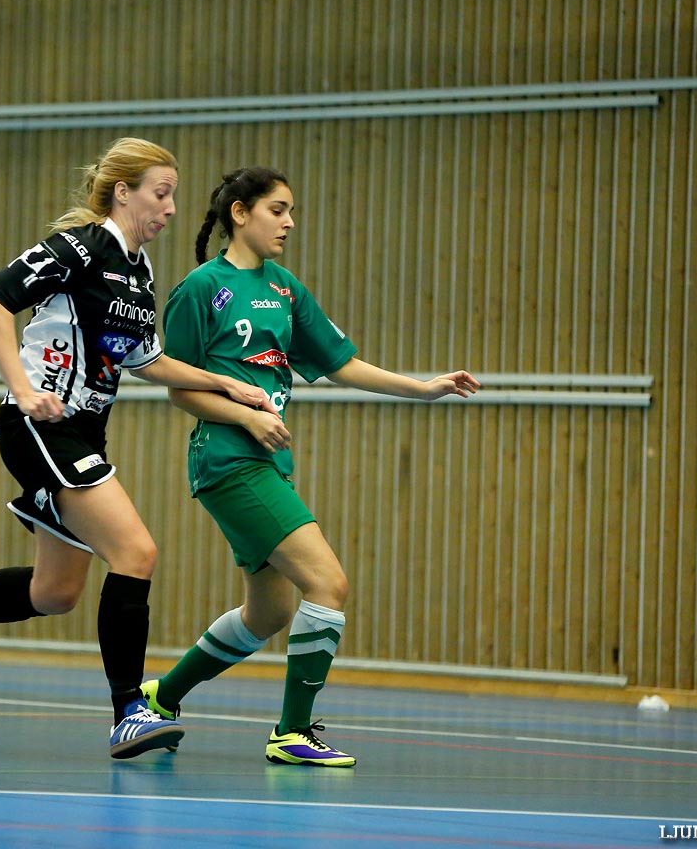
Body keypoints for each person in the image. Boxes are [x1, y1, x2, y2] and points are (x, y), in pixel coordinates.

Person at [0, 138, 277, 761]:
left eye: (174, 196)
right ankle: (129, 710)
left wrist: (226, 382)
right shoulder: (77, 248)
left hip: (83, 433)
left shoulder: (139, 271)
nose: (170, 209)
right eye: (161, 193)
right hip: (41, 426)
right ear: (123, 192)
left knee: (56, 593)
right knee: (136, 551)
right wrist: (23, 391)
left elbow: (146, 360)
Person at [139, 166, 481, 767]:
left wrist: (422, 389)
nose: (290, 222)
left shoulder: (285, 289)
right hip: (227, 460)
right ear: (240, 213)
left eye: (291, 211)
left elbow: (341, 363)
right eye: (278, 210)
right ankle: (292, 732)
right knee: (329, 584)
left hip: (267, 462)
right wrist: (245, 416)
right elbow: (178, 388)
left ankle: (162, 698)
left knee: (268, 612)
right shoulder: (200, 289)